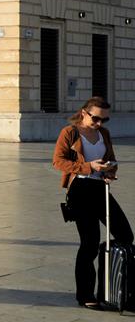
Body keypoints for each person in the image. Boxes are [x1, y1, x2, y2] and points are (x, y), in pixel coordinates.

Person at [54, 97, 130, 309]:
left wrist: (110, 171)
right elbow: (58, 161)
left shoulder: (103, 133)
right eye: (95, 118)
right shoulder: (69, 132)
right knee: (89, 244)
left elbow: (111, 158)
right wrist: (88, 167)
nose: (99, 124)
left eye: (104, 120)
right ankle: (85, 294)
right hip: (80, 190)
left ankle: (110, 287)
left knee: (125, 235)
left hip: (100, 189)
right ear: (84, 113)